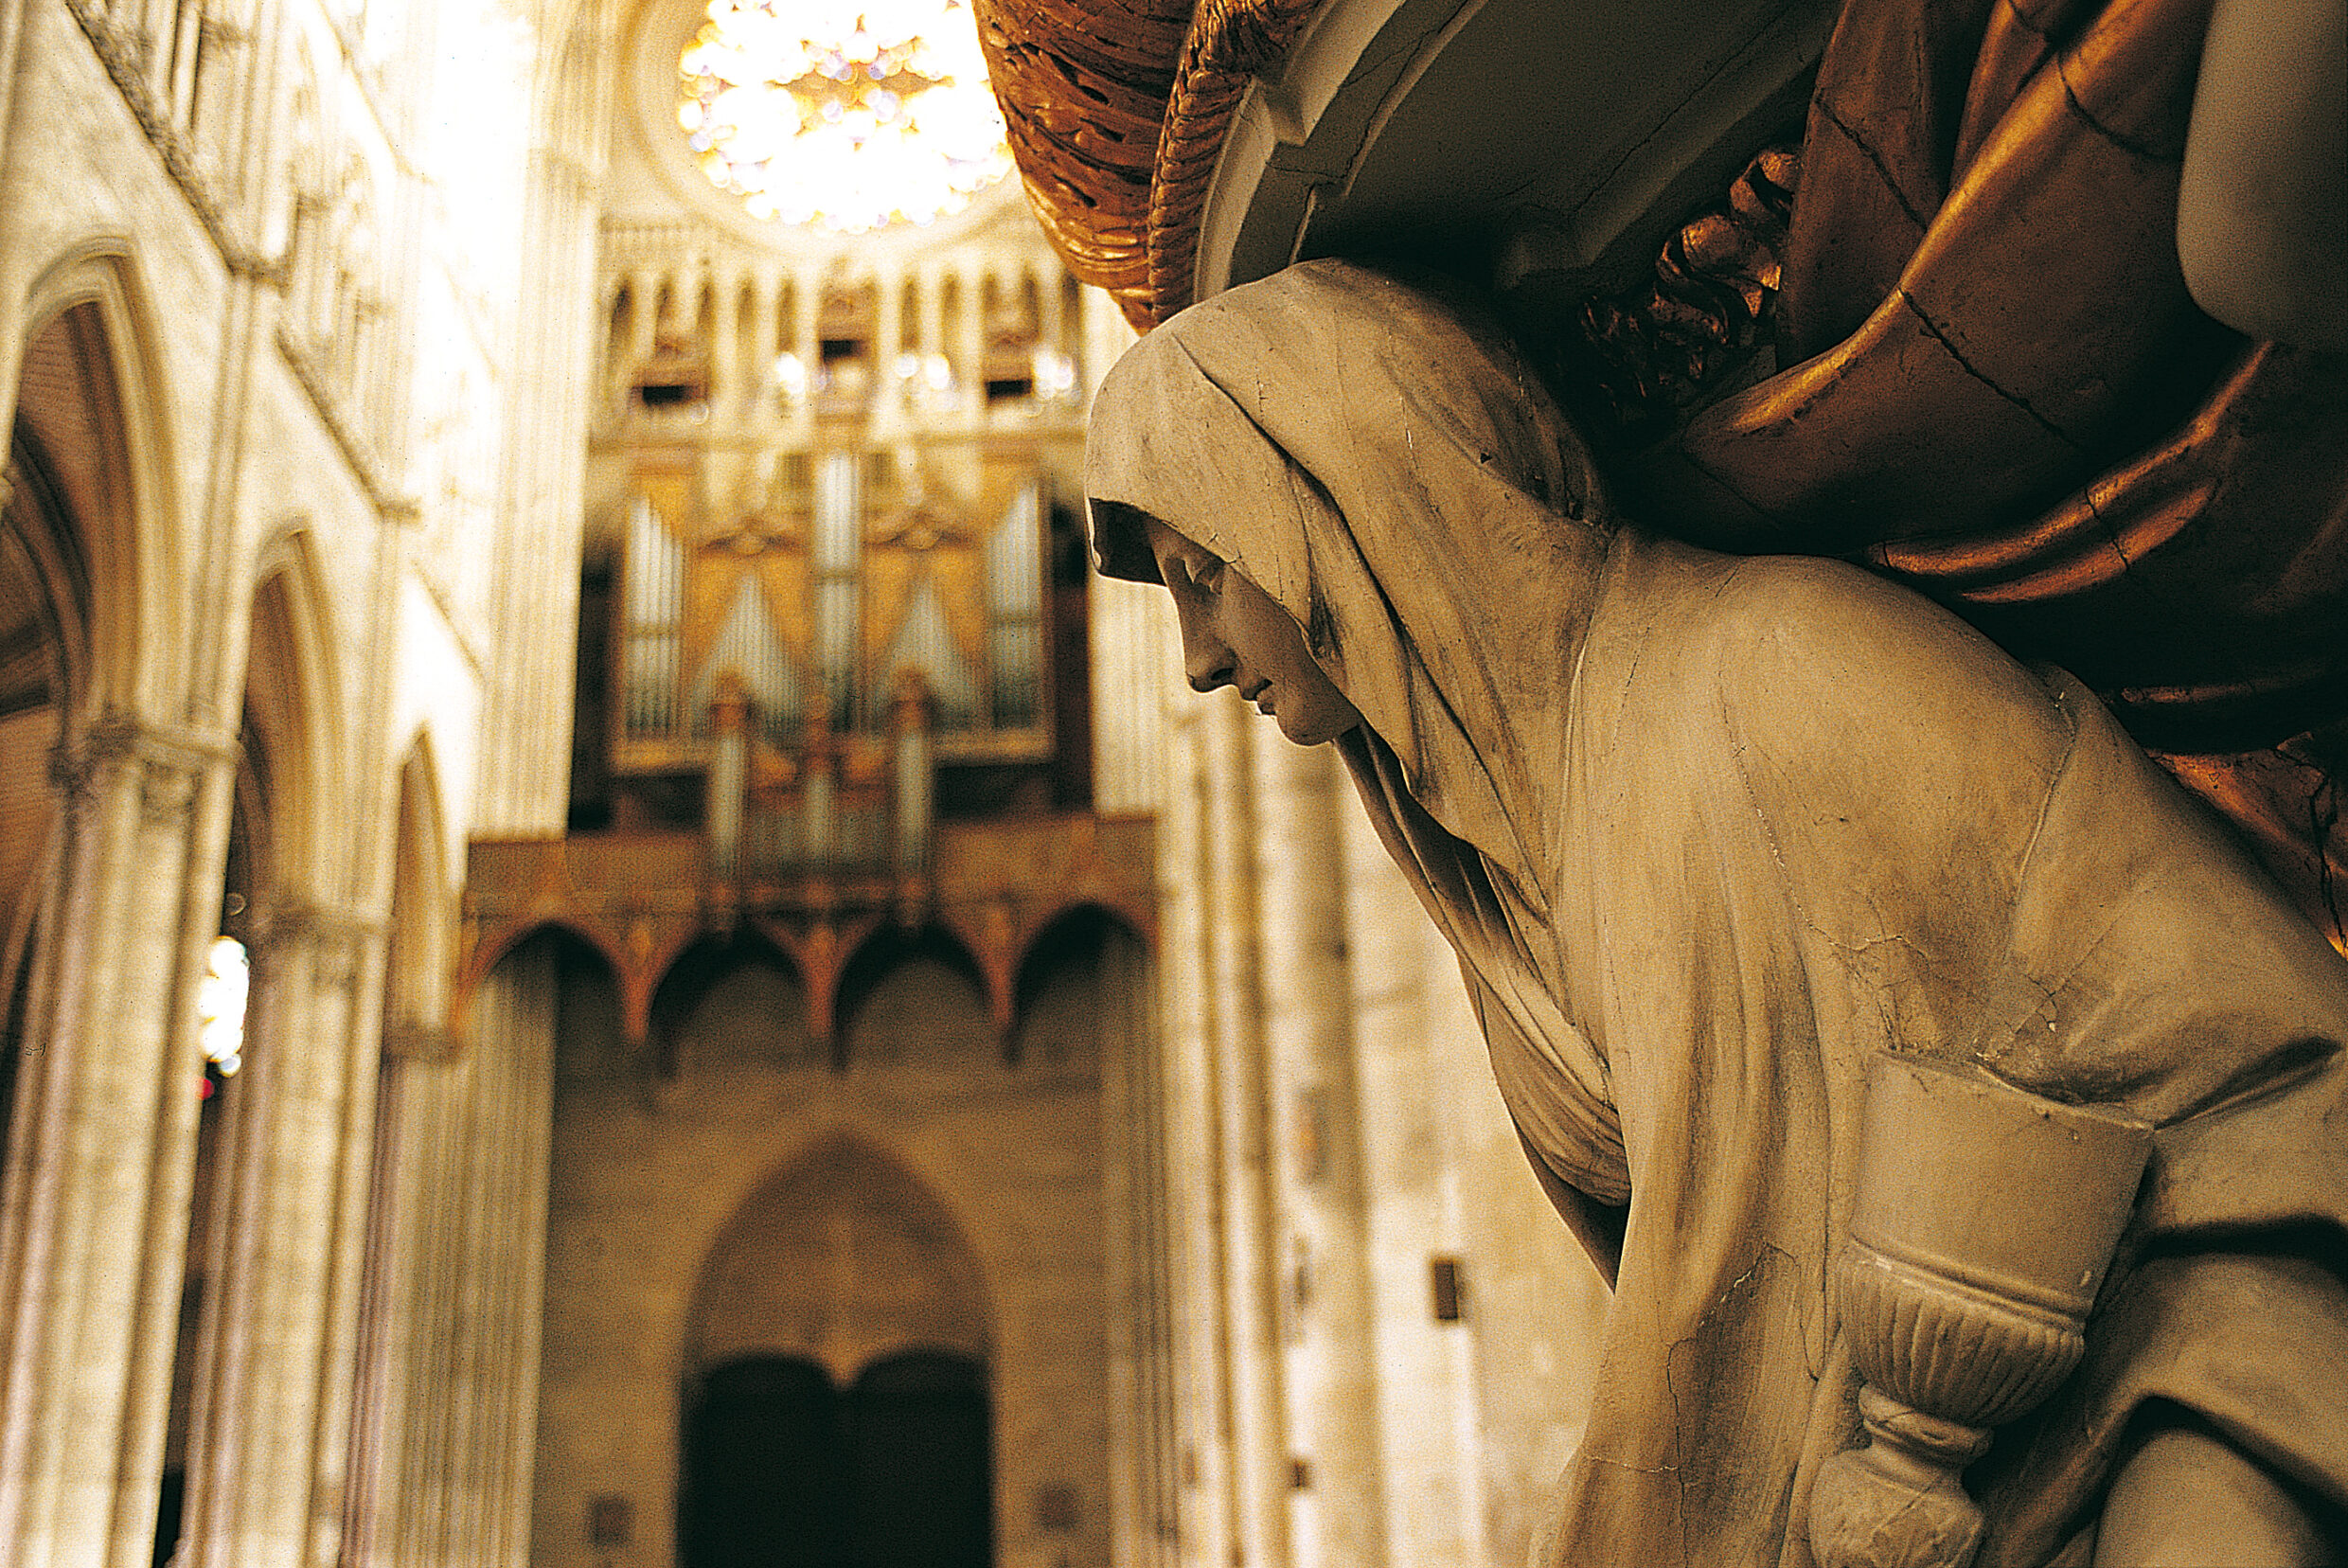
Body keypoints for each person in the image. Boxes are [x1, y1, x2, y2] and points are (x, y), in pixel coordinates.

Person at [1087, 258, 2348, 1567]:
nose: (1198, 660)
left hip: (2187, 1396)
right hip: (1893, 1493)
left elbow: (2274, 1070)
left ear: (1343, 502)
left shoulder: (1777, 679)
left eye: (1202, 573)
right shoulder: (1497, 875)